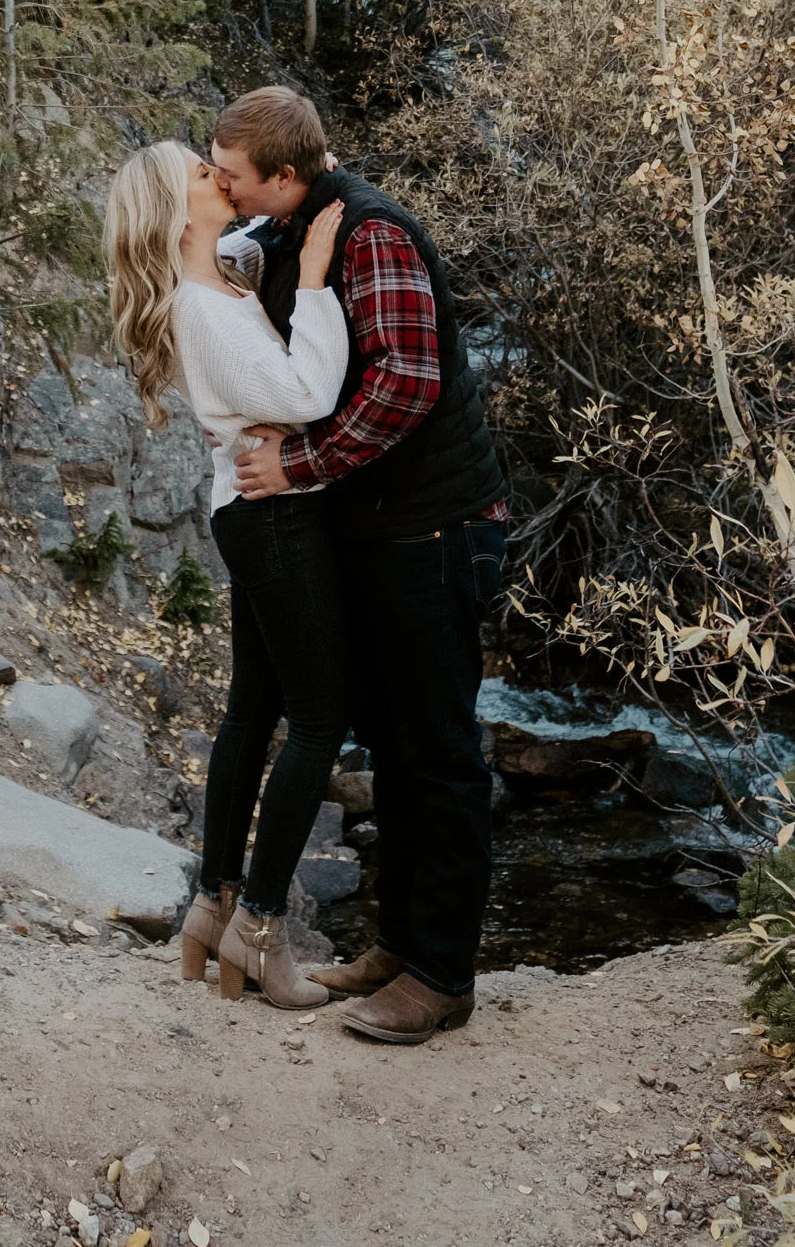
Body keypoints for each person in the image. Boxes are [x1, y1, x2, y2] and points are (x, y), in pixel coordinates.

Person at [209, 85, 507, 1046]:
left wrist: (294, 463)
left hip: (436, 526)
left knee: (442, 752)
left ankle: (440, 977)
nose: (224, 186)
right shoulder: (291, 226)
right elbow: (231, 273)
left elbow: (408, 383)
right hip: (380, 530)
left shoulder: (374, 233)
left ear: (286, 177)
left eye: (236, 177)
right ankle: (398, 945)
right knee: (394, 747)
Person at [104, 139, 350, 1009]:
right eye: (204, 176)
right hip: (273, 516)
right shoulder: (204, 310)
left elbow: (253, 232)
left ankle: (212, 904)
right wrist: (316, 276)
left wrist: (303, 164)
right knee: (321, 720)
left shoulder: (218, 275)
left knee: (253, 708)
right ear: (178, 218)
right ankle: (262, 929)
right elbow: (305, 396)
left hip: (245, 512)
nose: (222, 181)